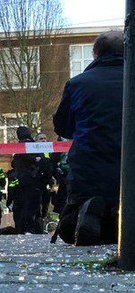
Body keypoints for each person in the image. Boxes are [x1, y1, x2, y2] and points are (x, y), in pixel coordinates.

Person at [52, 31, 124, 246]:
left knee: (68, 229)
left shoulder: (77, 84)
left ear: (95, 54)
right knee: (120, 229)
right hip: (129, 171)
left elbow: (63, 126)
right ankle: (119, 218)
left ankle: (87, 211)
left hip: (89, 168)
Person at [11, 126, 48, 234]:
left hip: (23, 179)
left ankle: (31, 228)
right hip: (33, 179)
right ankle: (31, 228)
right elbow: (39, 160)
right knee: (33, 204)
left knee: (27, 204)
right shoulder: (30, 145)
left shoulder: (19, 146)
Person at [34, 132, 55, 232]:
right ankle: (38, 226)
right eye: (41, 139)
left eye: (45, 139)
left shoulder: (49, 151)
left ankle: (44, 220)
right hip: (37, 181)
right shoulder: (33, 150)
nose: (43, 141)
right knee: (37, 203)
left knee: (46, 202)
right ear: (36, 141)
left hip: (47, 180)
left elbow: (51, 164)